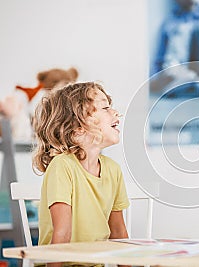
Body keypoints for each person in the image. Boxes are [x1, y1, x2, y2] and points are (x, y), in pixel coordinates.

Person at [32, 82, 129, 265]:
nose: (115, 112)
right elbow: (62, 233)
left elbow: (119, 234)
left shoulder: (113, 170)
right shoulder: (62, 166)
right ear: (77, 127)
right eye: (105, 107)